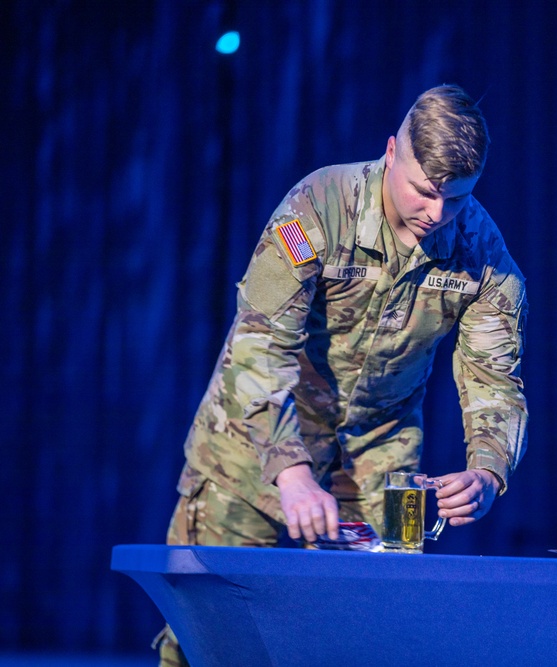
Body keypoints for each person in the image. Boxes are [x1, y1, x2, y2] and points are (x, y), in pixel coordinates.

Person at [155, 84, 528, 666]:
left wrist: (488, 468)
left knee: (363, 639)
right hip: (251, 448)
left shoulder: (481, 252)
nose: (437, 213)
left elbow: (495, 377)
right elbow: (259, 345)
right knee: (206, 639)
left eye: (456, 199)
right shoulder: (318, 208)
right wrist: (291, 470)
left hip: (376, 462)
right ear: (390, 152)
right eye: (425, 192)